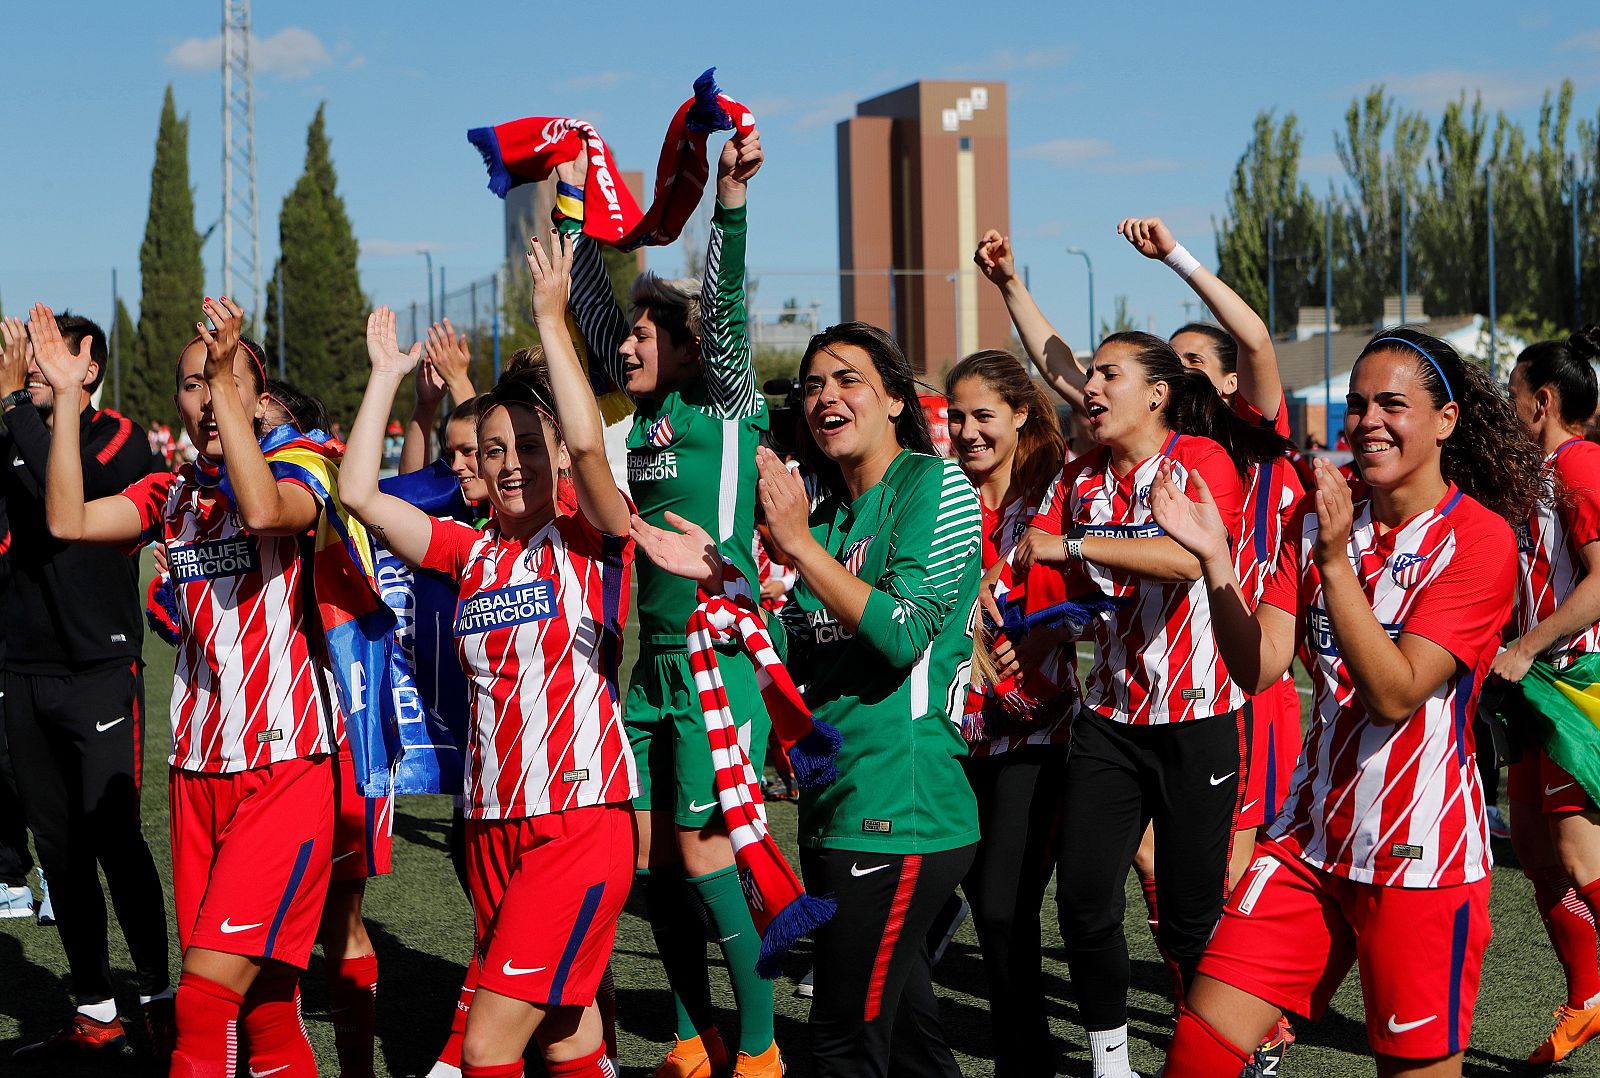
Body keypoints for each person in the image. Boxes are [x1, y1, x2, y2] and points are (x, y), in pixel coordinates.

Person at [1154, 328, 1539, 1077]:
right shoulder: (1320, 518)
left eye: (1392, 404)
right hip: (1308, 839)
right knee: (1199, 1046)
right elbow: (1258, 666)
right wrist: (1214, 563)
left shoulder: (1480, 539)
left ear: (1446, 421)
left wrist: (1336, 567)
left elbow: (1395, 694)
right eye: (1358, 404)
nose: (1368, 421)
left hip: (1420, 857)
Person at [634, 321, 983, 1078]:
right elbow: (790, 658)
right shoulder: (824, 519)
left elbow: (901, 634)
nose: (826, 395)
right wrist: (726, 585)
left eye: (849, 378)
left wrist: (797, 546)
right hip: (836, 807)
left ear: (896, 399)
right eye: (814, 384)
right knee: (911, 1045)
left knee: (840, 1043)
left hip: (903, 808)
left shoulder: (936, 485)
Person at [339, 233, 636, 1078]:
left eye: (528, 449)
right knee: (565, 1034)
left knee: (486, 1046)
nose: (510, 467)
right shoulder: (469, 553)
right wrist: (386, 378)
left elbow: (590, 447)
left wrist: (550, 320)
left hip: (576, 820)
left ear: (559, 456)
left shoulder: (590, 540)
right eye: (495, 450)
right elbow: (358, 496)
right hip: (488, 822)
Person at [42, 297, 340, 1078]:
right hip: (197, 775)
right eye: (192, 384)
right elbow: (67, 521)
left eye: (225, 380)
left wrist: (229, 377)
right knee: (265, 1007)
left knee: (203, 1002)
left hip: (285, 768)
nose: (207, 398)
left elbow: (263, 509)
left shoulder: (304, 468)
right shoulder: (169, 495)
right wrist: (68, 401)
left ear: (260, 398)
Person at [562, 129, 781, 1077]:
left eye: (647, 335)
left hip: (717, 658)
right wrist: (571, 202)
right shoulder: (642, 414)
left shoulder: (723, 405)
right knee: (654, 866)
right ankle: (696, 1040)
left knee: (705, 859)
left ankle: (763, 1051)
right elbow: (585, 305)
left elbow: (722, 308)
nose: (628, 344)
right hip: (648, 668)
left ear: (693, 351)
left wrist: (729, 201)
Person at [1016, 330, 1289, 1078]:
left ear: (1158, 394)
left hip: (1198, 722)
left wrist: (1076, 547)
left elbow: (1188, 558)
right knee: (1083, 901)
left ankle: (1226, 1046)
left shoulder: (1200, 460)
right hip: (1108, 722)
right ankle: (1110, 1059)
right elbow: (1036, 557)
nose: (1091, 388)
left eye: (1110, 375)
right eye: (1091, 375)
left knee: (1192, 916)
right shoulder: (1079, 475)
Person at [0, 310, 173, 1059]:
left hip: (100, 669)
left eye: (47, 357)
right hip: (23, 670)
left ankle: (159, 995)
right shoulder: (12, 429)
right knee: (59, 850)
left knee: (116, 839)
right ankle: (96, 1008)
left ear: (87, 368)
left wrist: (15, 405)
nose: (32, 368)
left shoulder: (121, 438)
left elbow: (61, 494)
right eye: (27, 357)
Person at [944, 348, 1070, 1077]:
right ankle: (1024, 1055)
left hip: (1038, 731)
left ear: (1020, 414)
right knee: (985, 903)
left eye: (983, 416)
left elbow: (1094, 595)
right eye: (957, 417)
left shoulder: (1054, 494)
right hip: (956, 736)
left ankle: (1034, 1057)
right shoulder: (943, 496)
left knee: (1003, 906)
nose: (967, 432)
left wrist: (1039, 634)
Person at [1495, 326, 1600, 1065]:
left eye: (1514, 392)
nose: (1510, 405)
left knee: (1575, 849)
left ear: (1543, 400)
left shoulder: (1580, 464)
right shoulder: (1540, 471)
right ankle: (1586, 999)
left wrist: (1529, 644)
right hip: (1536, 686)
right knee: (1535, 851)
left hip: (1576, 682)